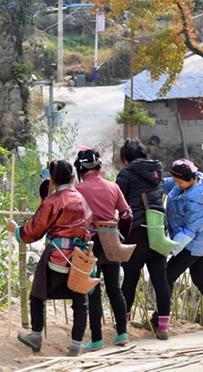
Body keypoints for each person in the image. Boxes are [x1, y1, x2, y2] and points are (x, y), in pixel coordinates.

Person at [8, 159, 92, 358]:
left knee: (38, 294)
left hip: (56, 257)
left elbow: (33, 231)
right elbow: (88, 226)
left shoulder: (52, 201)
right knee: (80, 300)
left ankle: (35, 337)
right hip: (79, 259)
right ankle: (75, 346)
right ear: (72, 178)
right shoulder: (82, 199)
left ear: (52, 181)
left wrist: (16, 230)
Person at [75, 148, 132, 351]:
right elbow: (126, 214)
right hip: (111, 239)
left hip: (90, 243)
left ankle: (97, 338)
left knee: (94, 290)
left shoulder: (78, 189)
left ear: (80, 168)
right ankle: (122, 334)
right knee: (115, 289)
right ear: (99, 167)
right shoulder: (113, 187)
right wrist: (121, 234)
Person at [158, 159, 203, 335]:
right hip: (198, 241)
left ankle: (159, 318)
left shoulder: (197, 202)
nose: (177, 184)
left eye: (180, 182)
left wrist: (170, 247)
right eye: (176, 181)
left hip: (193, 242)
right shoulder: (185, 183)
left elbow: (189, 231)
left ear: (191, 178)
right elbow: (166, 184)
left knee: (167, 275)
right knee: (201, 280)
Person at [116, 138, 171, 340]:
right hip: (157, 228)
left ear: (125, 157)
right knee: (160, 279)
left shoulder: (126, 172)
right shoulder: (157, 172)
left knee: (130, 278)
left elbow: (117, 198)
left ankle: (123, 326)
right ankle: (163, 327)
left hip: (136, 229)